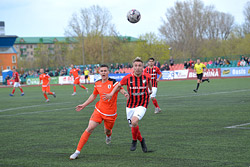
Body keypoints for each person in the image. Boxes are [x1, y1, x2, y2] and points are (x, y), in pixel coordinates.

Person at [69, 64, 129, 160]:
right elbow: (93, 96)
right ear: (99, 72)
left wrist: (125, 94)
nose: (103, 72)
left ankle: (108, 136)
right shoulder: (97, 83)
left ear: (108, 72)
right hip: (99, 110)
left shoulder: (113, 82)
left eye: (105, 71)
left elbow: (121, 89)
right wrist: (84, 104)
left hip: (110, 114)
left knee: (107, 130)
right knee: (90, 128)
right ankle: (77, 152)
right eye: (102, 71)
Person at [104, 57, 152, 153]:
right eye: (135, 66)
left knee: (134, 122)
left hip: (142, 104)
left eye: (139, 66)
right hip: (130, 105)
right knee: (133, 126)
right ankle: (142, 140)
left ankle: (134, 141)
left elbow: (149, 83)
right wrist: (111, 94)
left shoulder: (147, 76)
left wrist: (150, 90)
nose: (137, 68)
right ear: (133, 67)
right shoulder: (128, 78)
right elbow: (118, 85)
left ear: (143, 67)